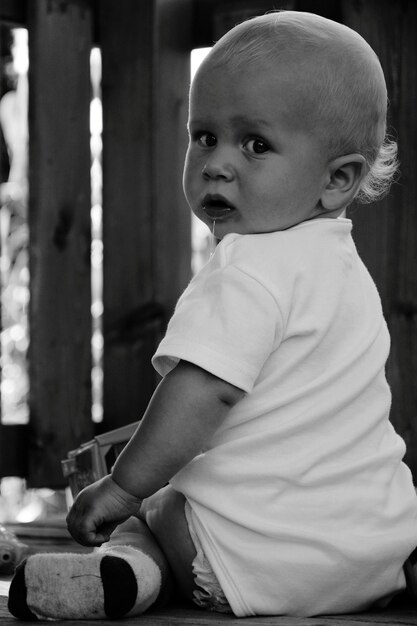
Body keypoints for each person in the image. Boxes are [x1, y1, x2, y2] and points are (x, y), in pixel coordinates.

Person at [8, 10, 417, 620]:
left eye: (255, 144)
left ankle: (124, 574)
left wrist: (122, 488)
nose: (218, 163)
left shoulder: (248, 268)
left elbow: (203, 392)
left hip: (251, 563)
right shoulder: (342, 269)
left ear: (338, 180)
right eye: (205, 136)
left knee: (158, 506)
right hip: (367, 557)